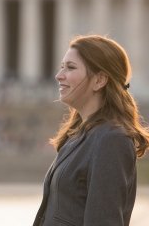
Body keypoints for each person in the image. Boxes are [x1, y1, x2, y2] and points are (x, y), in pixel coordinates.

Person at [33, 34, 149, 226]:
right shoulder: (78, 135)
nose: (58, 75)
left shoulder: (112, 140)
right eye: (62, 67)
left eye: (70, 67)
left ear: (99, 80)